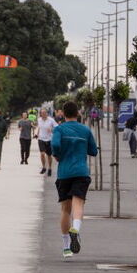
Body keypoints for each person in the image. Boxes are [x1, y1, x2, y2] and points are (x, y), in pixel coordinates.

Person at [52, 101, 98, 258]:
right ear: (77, 113)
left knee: (65, 209)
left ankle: (66, 247)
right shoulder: (85, 130)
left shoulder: (59, 129)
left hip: (64, 172)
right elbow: (93, 150)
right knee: (79, 202)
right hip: (81, 171)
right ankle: (76, 229)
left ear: (63, 114)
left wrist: (57, 155)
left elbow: (55, 145)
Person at [35, 108, 58, 176]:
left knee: (49, 155)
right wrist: (36, 134)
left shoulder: (51, 120)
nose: (44, 114)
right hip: (41, 138)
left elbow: (57, 127)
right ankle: (44, 167)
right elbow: (38, 127)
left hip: (49, 139)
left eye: (45, 113)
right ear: (40, 114)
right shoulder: (39, 120)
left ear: (47, 113)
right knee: (42, 154)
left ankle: (50, 168)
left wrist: (52, 129)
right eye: (42, 113)